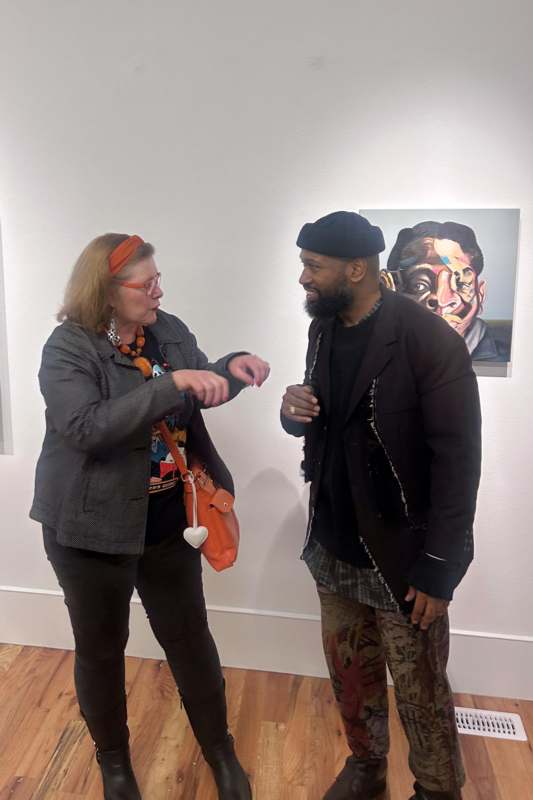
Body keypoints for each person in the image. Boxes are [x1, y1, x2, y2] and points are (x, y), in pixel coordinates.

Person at [31, 233, 270, 800]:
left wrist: (229, 369)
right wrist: (173, 384)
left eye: (157, 278)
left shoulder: (169, 331)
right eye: (147, 283)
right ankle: (114, 764)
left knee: (190, 641)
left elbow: (196, 387)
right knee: (101, 648)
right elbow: (85, 427)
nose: (159, 290)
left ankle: (220, 752)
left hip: (168, 521)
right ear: (109, 291)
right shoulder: (69, 347)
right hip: (88, 529)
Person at [280, 212, 481, 800]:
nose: (303, 279)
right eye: (304, 266)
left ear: (356, 268)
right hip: (335, 547)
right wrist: (294, 412)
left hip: (403, 560)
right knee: (352, 679)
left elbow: (458, 461)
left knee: (420, 692)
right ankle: (366, 769)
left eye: (312, 267)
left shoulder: (428, 340)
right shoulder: (325, 329)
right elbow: (328, 421)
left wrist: (442, 567)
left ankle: (437, 789)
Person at [382, 220, 511, 362]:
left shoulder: (503, 357)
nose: (442, 301)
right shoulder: (381, 354)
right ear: (392, 289)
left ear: (480, 294)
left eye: (461, 283)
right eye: (419, 285)